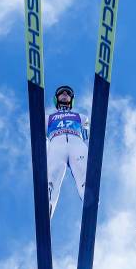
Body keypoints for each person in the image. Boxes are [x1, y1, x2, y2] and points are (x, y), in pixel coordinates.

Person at [46, 85, 89, 218]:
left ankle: (88, 194)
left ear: (72, 99)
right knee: (52, 176)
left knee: (83, 173)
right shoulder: (48, 118)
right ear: (56, 99)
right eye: (61, 93)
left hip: (76, 142)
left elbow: (87, 134)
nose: (65, 94)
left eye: (68, 93)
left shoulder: (81, 117)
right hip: (56, 143)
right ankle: (47, 203)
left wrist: (91, 150)